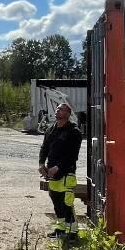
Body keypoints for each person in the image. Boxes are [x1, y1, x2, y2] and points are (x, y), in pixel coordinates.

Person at [38, 102, 83, 239]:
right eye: (57, 109)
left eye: (61, 109)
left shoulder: (74, 132)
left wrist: (58, 167)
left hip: (66, 173)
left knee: (67, 203)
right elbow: (44, 148)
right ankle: (60, 229)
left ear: (68, 114)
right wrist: (41, 164)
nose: (57, 111)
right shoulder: (51, 130)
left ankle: (72, 232)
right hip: (52, 174)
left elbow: (72, 155)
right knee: (56, 201)